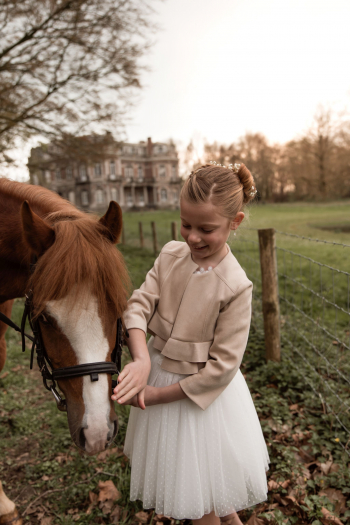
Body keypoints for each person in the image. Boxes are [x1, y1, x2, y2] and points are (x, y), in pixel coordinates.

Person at [112, 162, 270, 525]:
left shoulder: (236, 286)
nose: (193, 237)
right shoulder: (170, 255)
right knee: (203, 481)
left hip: (197, 398)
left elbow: (221, 370)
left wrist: (155, 396)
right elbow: (138, 305)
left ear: (236, 222)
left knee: (199, 499)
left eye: (206, 229)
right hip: (156, 374)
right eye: (186, 224)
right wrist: (140, 360)